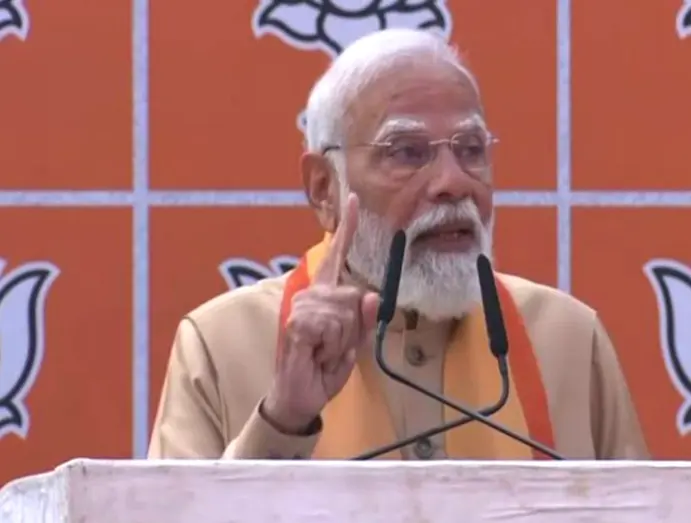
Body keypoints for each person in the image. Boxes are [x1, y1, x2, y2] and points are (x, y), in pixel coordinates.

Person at [147, 28, 649, 461]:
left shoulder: (566, 337)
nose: (453, 183)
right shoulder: (221, 342)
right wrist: (283, 420)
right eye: (407, 153)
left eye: (471, 150)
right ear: (324, 186)